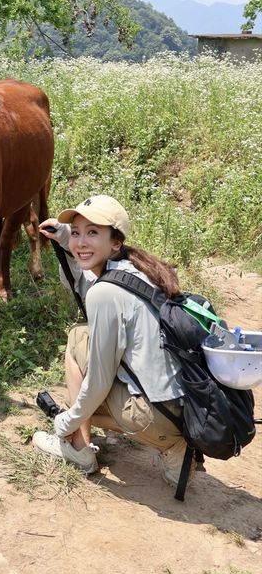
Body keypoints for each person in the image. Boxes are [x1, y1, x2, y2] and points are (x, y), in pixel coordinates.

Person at [34, 194, 191, 488]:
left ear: (115, 242)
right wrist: (67, 238)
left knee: (77, 339)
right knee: (85, 339)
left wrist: (64, 422)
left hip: (156, 418)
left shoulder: (104, 293)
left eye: (93, 232)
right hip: (183, 406)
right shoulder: (140, 268)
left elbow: (98, 382)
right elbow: (87, 273)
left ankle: (79, 451)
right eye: (78, 232)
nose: (81, 242)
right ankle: (175, 444)